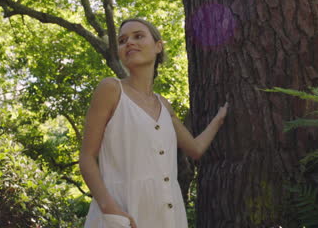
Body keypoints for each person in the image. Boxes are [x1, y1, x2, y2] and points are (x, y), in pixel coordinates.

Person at [79, 18, 229, 228]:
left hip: (168, 216)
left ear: (158, 46)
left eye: (138, 36)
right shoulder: (111, 90)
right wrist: (110, 209)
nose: (129, 42)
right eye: (122, 40)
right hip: (123, 213)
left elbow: (195, 149)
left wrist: (220, 118)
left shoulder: (164, 105)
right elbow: (87, 157)